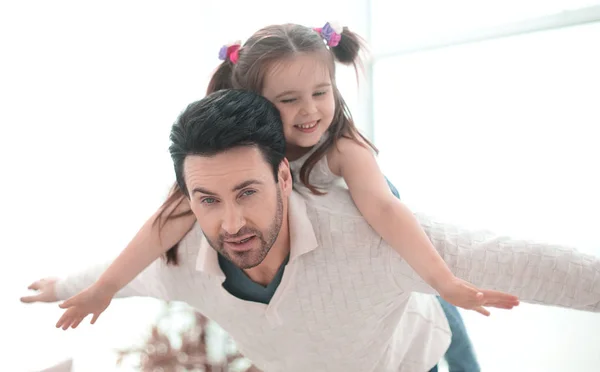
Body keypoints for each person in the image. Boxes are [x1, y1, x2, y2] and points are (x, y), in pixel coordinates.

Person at [22, 89, 600, 372]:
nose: (230, 224)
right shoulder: (182, 259)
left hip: (405, 357)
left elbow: (532, 262)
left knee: (438, 314)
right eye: (207, 199)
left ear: (282, 176)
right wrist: (59, 286)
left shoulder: (371, 238)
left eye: (247, 192)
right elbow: (116, 276)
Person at [45, 22, 487, 370]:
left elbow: (385, 210)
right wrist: (102, 289)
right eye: (290, 100)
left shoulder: (342, 146)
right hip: (334, 295)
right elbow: (164, 225)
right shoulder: (239, 157)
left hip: (397, 244)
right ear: (254, 102)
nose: (310, 110)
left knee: (438, 314)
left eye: (321, 92)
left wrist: (444, 281)